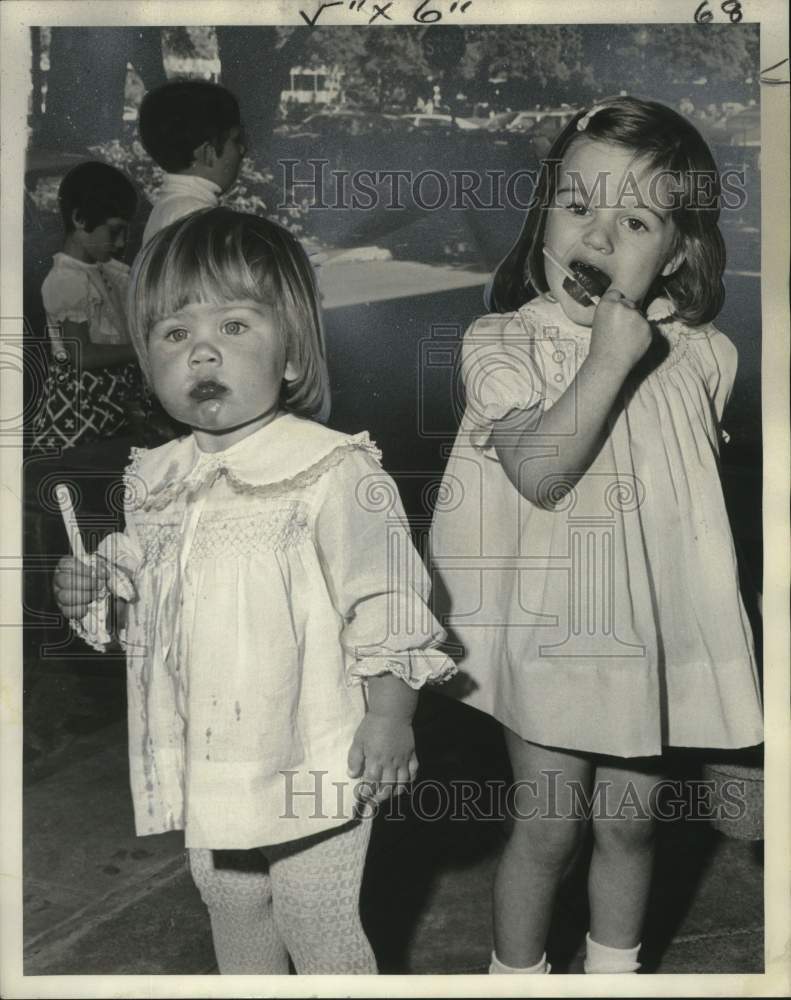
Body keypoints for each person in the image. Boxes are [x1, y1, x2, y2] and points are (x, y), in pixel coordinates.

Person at [52, 208, 455, 974]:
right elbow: (147, 616)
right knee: (229, 896)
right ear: (149, 361)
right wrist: (95, 594)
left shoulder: (331, 469)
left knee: (315, 912)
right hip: (215, 744)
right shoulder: (154, 480)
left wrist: (390, 717)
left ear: (293, 352)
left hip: (316, 741)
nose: (202, 349)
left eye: (234, 326)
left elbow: (388, 599)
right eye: (174, 334)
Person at [430, 96, 763, 975]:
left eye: (637, 218)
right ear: (543, 217)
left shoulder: (703, 357)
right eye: (577, 205)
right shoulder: (501, 343)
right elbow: (542, 473)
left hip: (647, 641)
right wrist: (608, 358)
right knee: (547, 829)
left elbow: (683, 508)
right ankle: (516, 978)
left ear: (681, 251)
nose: (600, 234)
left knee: (633, 824)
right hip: (550, 636)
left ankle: (615, 975)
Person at [31, 161, 144, 452]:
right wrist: (138, 350)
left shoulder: (110, 271)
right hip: (81, 406)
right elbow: (81, 355)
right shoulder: (66, 279)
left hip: (112, 398)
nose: (121, 243)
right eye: (115, 231)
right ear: (80, 219)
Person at [139, 81, 246, 244]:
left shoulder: (170, 207)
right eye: (236, 140)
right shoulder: (195, 215)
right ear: (208, 152)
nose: (242, 149)